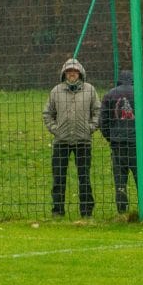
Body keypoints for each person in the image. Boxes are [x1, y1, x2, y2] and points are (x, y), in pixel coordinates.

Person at [42, 58, 100, 218]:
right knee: (58, 178)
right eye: (69, 71)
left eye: (74, 71)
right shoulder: (56, 91)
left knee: (84, 178)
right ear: (64, 74)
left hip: (83, 141)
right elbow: (47, 113)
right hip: (62, 141)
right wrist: (56, 130)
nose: (72, 74)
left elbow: (98, 111)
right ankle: (57, 211)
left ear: (80, 73)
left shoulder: (90, 90)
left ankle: (87, 212)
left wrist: (90, 128)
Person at [99, 70, 143, 215]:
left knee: (120, 181)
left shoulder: (109, 95)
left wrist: (111, 137)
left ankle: (122, 212)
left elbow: (103, 121)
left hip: (118, 145)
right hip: (137, 145)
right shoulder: (142, 93)